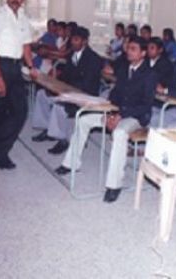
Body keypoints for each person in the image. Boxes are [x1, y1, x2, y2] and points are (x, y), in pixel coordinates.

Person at [55, 36, 157, 203]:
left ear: (143, 53)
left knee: (120, 133)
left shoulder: (150, 74)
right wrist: (110, 113)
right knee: (84, 120)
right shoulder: (125, 68)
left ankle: (114, 185)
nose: (128, 52)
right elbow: (115, 94)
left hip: (136, 117)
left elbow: (145, 106)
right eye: (128, 48)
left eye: (133, 49)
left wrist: (120, 115)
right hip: (116, 112)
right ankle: (71, 163)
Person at [0, 0, 37, 170]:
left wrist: (31, 67)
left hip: (15, 68)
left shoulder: (22, 17)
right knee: (0, 112)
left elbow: (26, 46)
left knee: (20, 111)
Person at [32, 26, 103, 154]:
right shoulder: (72, 55)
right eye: (72, 40)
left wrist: (63, 89)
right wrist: (54, 83)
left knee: (59, 106)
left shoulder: (93, 59)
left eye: (76, 40)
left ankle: (62, 139)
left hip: (86, 95)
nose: (72, 42)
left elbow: (87, 84)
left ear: (84, 41)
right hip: (70, 91)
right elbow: (66, 75)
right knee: (42, 94)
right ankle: (48, 129)